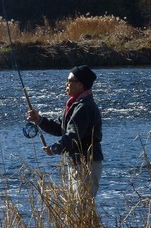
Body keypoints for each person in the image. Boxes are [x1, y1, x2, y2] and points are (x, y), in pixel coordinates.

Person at [27, 65, 103, 197]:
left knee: (82, 209)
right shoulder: (76, 105)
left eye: (69, 81)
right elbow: (59, 128)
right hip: (80, 164)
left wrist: (53, 149)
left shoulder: (84, 107)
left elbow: (72, 137)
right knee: (79, 210)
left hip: (86, 165)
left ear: (80, 84)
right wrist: (39, 120)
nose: (66, 84)